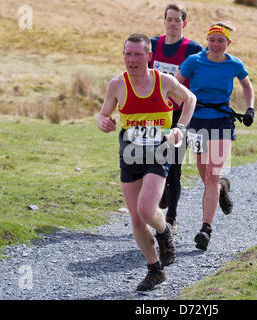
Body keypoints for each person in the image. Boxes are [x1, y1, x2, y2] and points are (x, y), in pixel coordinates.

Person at [97, 34, 196, 291]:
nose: (132, 59)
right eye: (128, 54)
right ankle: (155, 270)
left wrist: (180, 128)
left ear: (149, 56)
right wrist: (103, 122)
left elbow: (190, 99)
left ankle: (164, 231)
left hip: (159, 149)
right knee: (136, 219)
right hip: (129, 151)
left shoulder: (163, 81)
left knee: (145, 208)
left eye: (137, 54)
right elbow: (104, 113)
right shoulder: (117, 84)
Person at [176, 23, 255, 251]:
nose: (216, 44)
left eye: (221, 40)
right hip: (197, 121)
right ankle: (222, 189)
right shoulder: (194, 61)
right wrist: (178, 109)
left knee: (211, 177)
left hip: (222, 120)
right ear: (207, 41)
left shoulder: (234, 64)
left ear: (228, 43)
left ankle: (205, 230)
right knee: (206, 178)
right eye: (212, 39)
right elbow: (175, 83)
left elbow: (247, 87)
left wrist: (250, 109)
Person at [149, 3, 202, 234]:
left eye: (177, 20)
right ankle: (159, 196)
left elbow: (198, 81)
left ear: (184, 23)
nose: (172, 24)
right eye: (169, 19)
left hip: (179, 115)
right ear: (164, 21)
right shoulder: (152, 45)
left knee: (175, 167)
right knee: (151, 162)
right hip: (155, 115)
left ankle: (171, 218)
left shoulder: (192, 49)